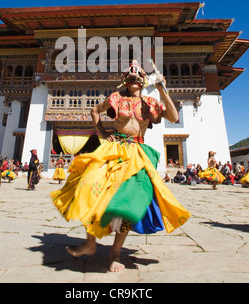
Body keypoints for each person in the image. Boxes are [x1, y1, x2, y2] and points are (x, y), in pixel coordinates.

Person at [51, 60, 191, 272]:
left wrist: (162, 88)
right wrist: (103, 134)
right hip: (114, 149)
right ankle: (90, 242)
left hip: (137, 153)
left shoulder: (150, 102)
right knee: (91, 186)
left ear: (143, 81)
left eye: (138, 76)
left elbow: (174, 116)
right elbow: (95, 111)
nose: (134, 78)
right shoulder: (116, 98)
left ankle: (114, 254)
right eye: (130, 76)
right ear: (125, 81)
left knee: (128, 203)